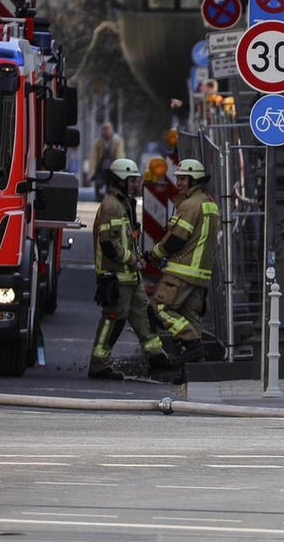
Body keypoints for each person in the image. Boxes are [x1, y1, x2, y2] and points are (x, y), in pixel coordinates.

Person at [89, 159, 176, 380]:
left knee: (143, 316)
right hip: (116, 275)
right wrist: (132, 261)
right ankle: (99, 364)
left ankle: (157, 358)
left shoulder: (124, 204)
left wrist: (135, 263)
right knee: (114, 318)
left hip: (129, 276)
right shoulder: (111, 206)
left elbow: (125, 240)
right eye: (132, 180)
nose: (136, 184)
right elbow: (109, 244)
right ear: (121, 181)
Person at [146, 159, 219, 364]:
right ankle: (195, 365)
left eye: (183, 179)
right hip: (200, 274)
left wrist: (153, 254)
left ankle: (192, 344)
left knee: (159, 308)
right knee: (190, 316)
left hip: (182, 271)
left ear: (194, 180)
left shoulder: (189, 205)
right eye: (178, 178)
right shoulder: (209, 203)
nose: (178, 183)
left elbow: (176, 238)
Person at [88, 122, 125, 200]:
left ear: (111, 130)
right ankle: (99, 197)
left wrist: (120, 170)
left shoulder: (117, 141)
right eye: (104, 129)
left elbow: (119, 155)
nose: (106, 132)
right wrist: (91, 172)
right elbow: (93, 157)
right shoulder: (98, 142)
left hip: (113, 169)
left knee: (112, 186)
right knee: (98, 183)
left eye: (108, 129)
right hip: (101, 169)